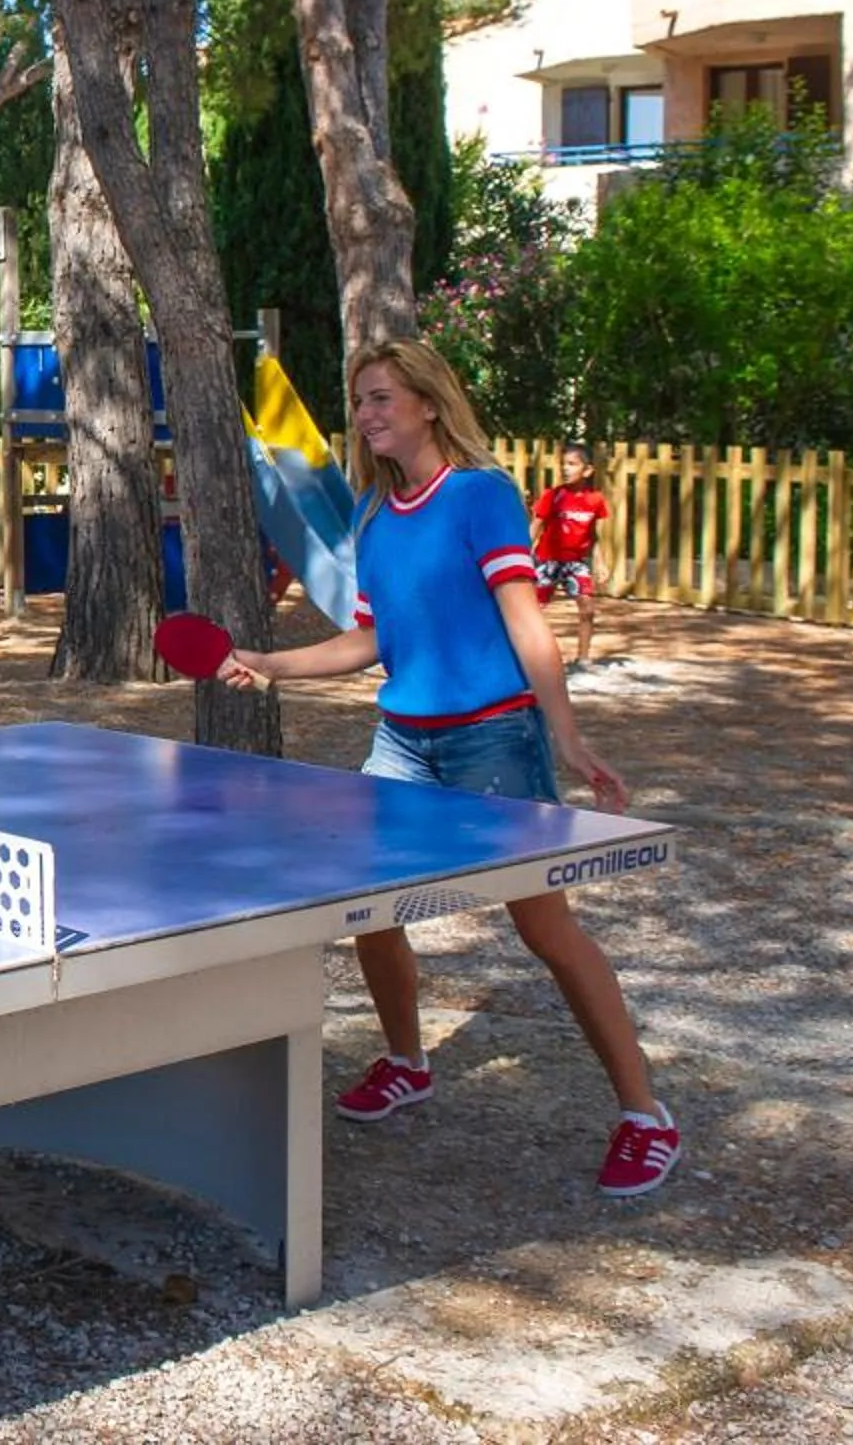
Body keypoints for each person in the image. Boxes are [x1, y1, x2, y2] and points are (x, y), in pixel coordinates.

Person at [221, 338, 678, 1198]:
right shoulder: (369, 516)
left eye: (383, 397)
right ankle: (407, 1061)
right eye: (359, 401)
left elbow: (525, 621)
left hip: (493, 741)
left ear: (430, 403)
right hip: (402, 741)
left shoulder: (481, 495)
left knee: (546, 931)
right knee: (368, 908)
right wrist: (272, 663)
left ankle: (646, 1115)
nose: (367, 415)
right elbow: (370, 640)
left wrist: (567, 734)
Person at [532, 441, 612, 669]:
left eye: (572, 464)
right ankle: (529, 658)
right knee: (533, 611)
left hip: (575, 563)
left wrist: (601, 561)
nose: (565, 469)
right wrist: (523, 556)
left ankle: (583, 658)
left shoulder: (595, 501)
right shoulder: (552, 496)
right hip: (547, 561)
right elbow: (535, 527)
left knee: (587, 606)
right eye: (563, 464)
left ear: (587, 470)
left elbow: (594, 535)